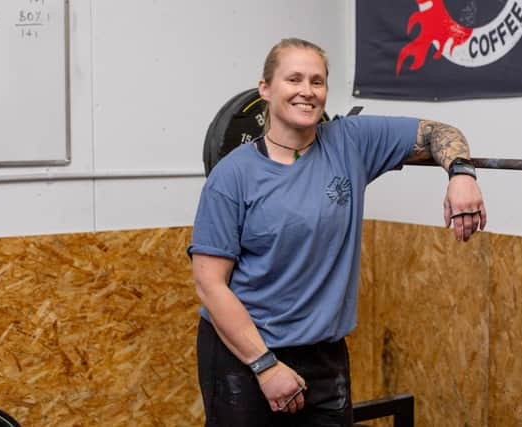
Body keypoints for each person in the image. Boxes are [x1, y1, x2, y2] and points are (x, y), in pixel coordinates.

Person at [188, 38, 486, 427]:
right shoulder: (232, 177)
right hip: (245, 354)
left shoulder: (350, 143)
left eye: (317, 81)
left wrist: (461, 174)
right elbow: (210, 286)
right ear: (265, 88)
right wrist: (264, 366)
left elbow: (438, 133)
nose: (306, 91)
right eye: (293, 79)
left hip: (324, 355)